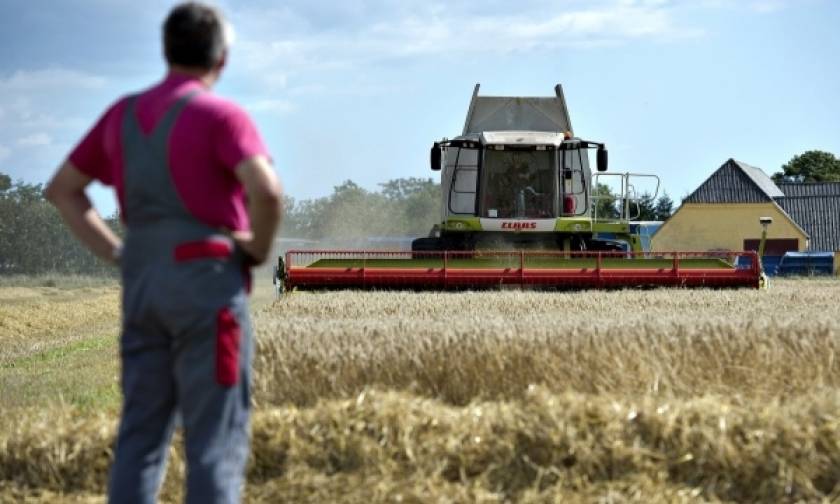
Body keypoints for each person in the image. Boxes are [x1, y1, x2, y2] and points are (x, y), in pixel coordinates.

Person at [44, 3, 282, 503]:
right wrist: (257, 250)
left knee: (140, 437)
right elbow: (267, 192)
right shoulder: (222, 115)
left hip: (143, 285)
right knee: (213, 443)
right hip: (207, 287)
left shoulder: (122, 114)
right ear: (222, 58)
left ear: (166, 50)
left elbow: (63, 190)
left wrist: (117, 254)